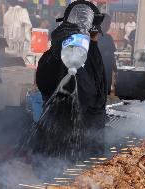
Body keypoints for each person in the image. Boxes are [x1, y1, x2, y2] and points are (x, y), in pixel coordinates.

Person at [34, 0, 106, 161]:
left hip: (89, 144)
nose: (94, 40)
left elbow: (97, 95)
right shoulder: (56, 55)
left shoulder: (93, 53)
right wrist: (55, 51)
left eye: (93, 35)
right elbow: (44, 85)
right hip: (59, 145)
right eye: (91, 35)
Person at [98, 14, 117, 94]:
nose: (108, 26)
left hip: (107, 70)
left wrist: (115, 69)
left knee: (106, 92)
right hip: (96, 70)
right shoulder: (92, 37)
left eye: (109, 23)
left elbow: (112, 55)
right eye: (106, 23)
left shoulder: (108, 37)